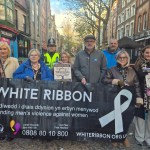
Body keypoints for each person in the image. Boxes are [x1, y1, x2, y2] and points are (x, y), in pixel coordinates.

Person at [102, 50, 143, 148]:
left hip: (129, 99)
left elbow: (137, 85)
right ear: (117, 58)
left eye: (124, 57)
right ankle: (114, 138)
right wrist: (114, 81)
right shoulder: (112, 69)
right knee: (115, 118)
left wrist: (139, 98)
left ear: (127, 59)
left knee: (126, 119)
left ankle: (123, 138)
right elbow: (104, 80)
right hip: (115, 98)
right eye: (120, 57)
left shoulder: (132, 70)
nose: (122, 59)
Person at [134, 45, 150, 148]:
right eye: (147, 52)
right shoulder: (138, 64)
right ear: (143, 53)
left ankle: (148, 139)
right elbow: (137, 79)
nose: (149, 55)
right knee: (140, 117)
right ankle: (139, 137)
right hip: (141, 94)